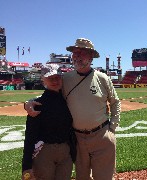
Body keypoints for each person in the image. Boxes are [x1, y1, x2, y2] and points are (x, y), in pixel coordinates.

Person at [25, 38, 121, 180]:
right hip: (77, 140)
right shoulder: (66, 78)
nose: (76, 56)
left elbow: (115, 102)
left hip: (102, 135)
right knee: (82, 177)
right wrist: (29, 102)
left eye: (81, 53)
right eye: (74, 53)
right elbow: (51, 93)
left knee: (104, 177)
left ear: (90, 56)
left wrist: (112, 128)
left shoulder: (103, 78)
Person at [22, 64, 75, 180]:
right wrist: (26, 166)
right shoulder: (37, 104)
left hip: (65, 152)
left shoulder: (69, 100)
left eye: (57, 77)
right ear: (43, 79)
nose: (54, 81)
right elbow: (30, 136)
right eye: (50, 78)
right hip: (44, 153)